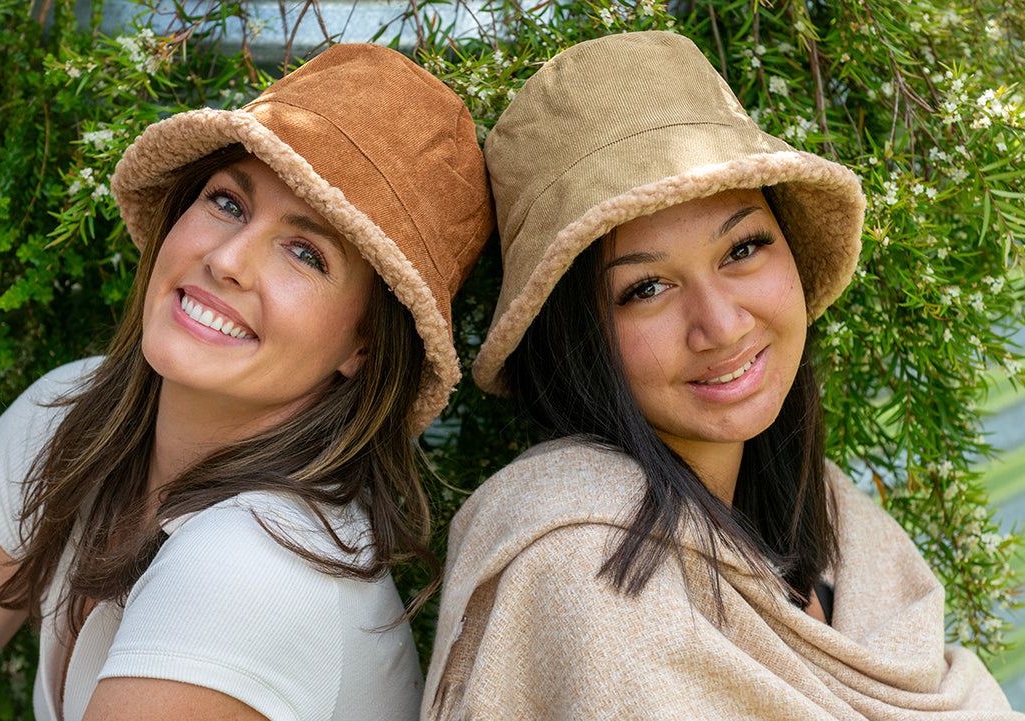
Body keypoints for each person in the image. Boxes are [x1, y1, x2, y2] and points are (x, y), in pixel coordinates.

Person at [422, 31, 1020, 720]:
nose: (722, 325)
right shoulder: (583, 568)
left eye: (743, 247)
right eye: (646, 287)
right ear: (576, 340)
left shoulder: (844, 530)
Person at [0, 43, 493, 721]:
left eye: (305, 251)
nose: (228, 259)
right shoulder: (66, 415)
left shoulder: (259, 567)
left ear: (365, 345)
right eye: (229, 202)